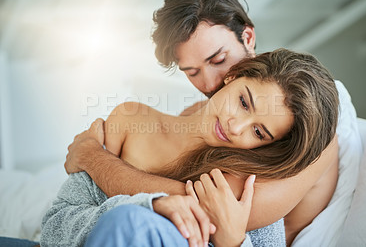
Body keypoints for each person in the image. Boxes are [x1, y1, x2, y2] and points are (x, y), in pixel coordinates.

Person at [64, 0, 342, 245]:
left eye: (219, 60)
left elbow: (219, 212)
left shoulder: (307, 122)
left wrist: (93, 157)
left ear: (247, 37)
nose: (209, 85)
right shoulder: (199, 115)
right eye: (192, 72)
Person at [42, 49, 339, 247]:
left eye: (258, 132)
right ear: (232, 76)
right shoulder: (131, 121)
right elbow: (55, 227)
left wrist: (233, 242)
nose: (235, 127)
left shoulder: (245, 187)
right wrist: (150, 205)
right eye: (243, 101)